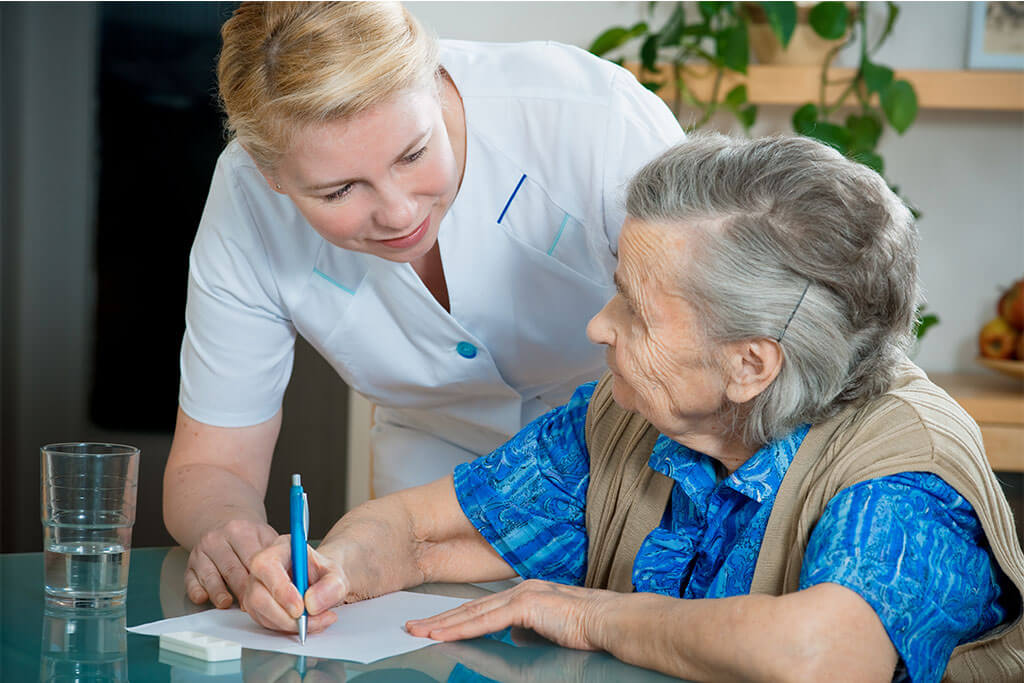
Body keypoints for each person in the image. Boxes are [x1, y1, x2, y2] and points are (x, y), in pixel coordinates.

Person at [240, 135, 1024, 682]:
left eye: (634, 309)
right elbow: (417, 533)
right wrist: (332, 568)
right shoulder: (630, 415)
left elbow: (824, 659)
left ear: (750, 364)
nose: (597, 327)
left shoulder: (908, 473)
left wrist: (591, 614)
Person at [162, 1, 684, 611]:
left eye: (412, 155)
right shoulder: (247, 204)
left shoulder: (591, 119)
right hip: (431, 481)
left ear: (435, 81)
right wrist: (230, 533)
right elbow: (213, 464)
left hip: (635, 449)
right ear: (268, 173)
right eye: (340, 190)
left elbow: (710, 347)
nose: (400, 212)